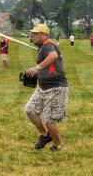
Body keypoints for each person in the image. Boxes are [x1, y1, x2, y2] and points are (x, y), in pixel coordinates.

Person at [25, 24, 68, 152]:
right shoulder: (42, 47)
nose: (32, 36)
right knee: (30, 109)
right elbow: (50, 67)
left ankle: (57, 145)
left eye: (35, 33)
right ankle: (45, 135)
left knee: (49, 119)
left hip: (56, 88)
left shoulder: (48, 45)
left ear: (44, 35)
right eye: (32, 33)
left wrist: (37, 68)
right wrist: (33, 73)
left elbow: (53, 56)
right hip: (42, 87)